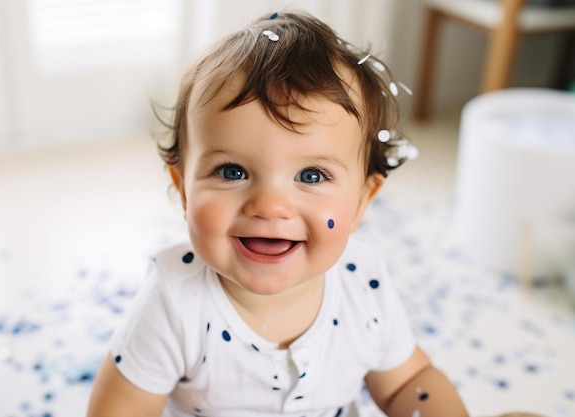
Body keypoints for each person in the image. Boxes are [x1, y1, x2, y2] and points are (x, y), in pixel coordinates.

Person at [88, 10, 469, 417]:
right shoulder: (173, 300)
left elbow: (408, 383)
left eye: (311, 174)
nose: (270, 206)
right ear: (183, 188)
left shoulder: (363, 284)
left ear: (362, 201)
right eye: (232, 172)